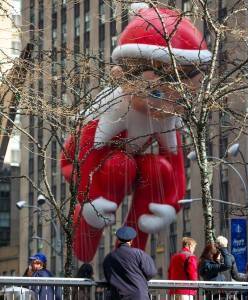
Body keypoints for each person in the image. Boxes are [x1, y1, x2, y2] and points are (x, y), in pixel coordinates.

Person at [60, 3, 212, 263]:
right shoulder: (111, 108)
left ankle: (134, 252)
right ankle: (87, 228)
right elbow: (81, 154)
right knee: (122, 163)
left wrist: (169, 203)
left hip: (126, 171)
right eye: (156, 93)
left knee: (157, 169)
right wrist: (88, 198)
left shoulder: (165, 119)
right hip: (88, 170)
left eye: (181, 97)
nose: (167, 106)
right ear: (122, 77)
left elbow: (175, 170)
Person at [103, 226, 157, 300]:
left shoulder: (108, 258)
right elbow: (151, 272)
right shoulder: (139, 254)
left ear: (118, 240)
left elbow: (108, 276)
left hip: (117, 296)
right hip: (138, 296)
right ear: (131, 241)